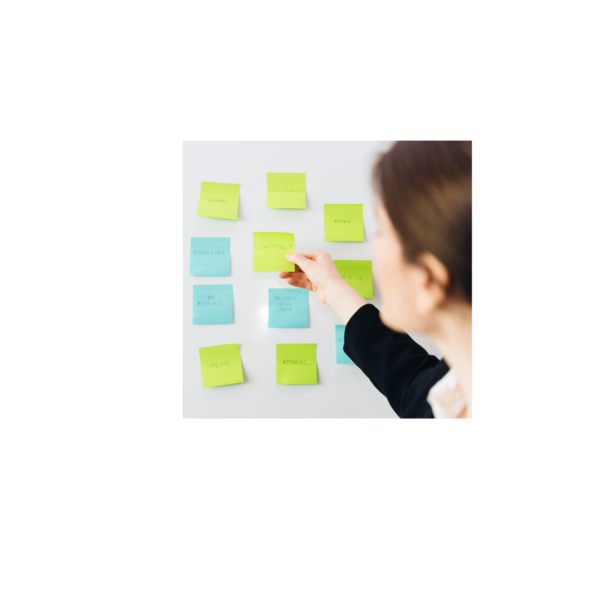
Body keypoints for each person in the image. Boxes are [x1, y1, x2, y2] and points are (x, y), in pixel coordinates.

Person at [278, 141, 472, 418]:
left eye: (382, 232)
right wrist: (334, 290)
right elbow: (410, 384)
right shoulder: (452, 389)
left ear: (428, 278)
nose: (375, 245)